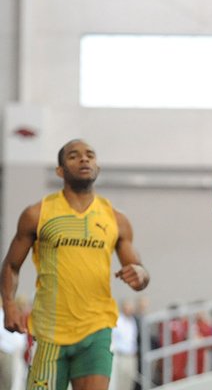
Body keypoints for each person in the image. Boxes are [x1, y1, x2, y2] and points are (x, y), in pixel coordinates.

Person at [0, 139, 150, 390]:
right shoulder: (37, 214)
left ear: (97, 168)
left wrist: (140, 274)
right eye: (74, 156)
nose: (84, 159)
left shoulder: (116, 219)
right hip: (49, 331)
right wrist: (9, 304)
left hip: (96, 328)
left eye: (90, 155)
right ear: (60, 170)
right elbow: (11, 265)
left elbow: (139, 270)